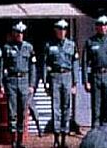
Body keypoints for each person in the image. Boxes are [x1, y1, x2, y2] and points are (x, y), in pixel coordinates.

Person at [42, 19, 79, 147]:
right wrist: (46, 81)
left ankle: (64, 137)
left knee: (66, 108)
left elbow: (75, 63)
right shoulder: (49, 45)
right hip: (55, 76)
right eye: (59, 29)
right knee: (56, 107)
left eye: (64, 30)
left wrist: (75, 83)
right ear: (55, 30)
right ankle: (56, 137)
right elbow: (45, 64)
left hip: (67, 76)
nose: (62, 32)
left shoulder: (71, 45)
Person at [81, 16, 107, 128]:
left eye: (105, 25)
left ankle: (105, 128)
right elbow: (84, 63)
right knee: (96, 105)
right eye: (100, 25)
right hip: (96, 76)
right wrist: (86, 81)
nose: (103, 28)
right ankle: (95, 129)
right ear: (96, 27)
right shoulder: (90, 42)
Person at [0, 21, 36, 148]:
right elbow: (2, 67)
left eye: (22, 32)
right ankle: (13, 141)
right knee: (12, 112)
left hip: (24, 82)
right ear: (13, 33)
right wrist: (1, 84)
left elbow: (33, 67)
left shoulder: (29, 47)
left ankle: (21, 141)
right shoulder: (7, 48)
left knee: (22, 112)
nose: (20, 35)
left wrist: (32, 84)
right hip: (11, 82)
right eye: (18, 32)